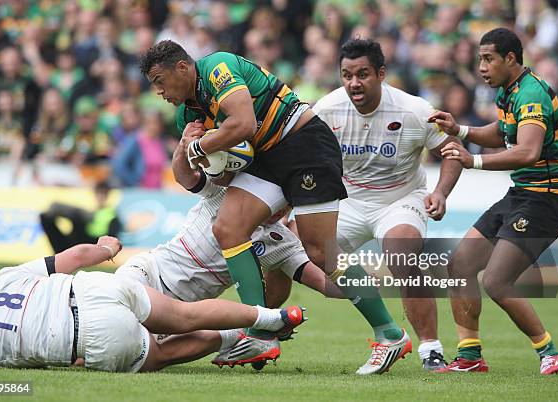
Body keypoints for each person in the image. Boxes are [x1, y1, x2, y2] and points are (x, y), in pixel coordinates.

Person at [139, 40, 411, 374]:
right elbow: (222, 178)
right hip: (266, 158)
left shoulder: (217, 68)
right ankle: (261, 329)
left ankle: (390, 334)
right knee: (228, 227)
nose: (159, 92)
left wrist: (200, 145)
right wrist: (202, 153)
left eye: (159, 81)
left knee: (321, 253)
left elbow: (243, 125)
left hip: (304, 143)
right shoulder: (188, 116)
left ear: (182, 68)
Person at [115, 132, 343, 367]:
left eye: (287, 203)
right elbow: (183, 176)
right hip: (150, 272)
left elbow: (326, 284)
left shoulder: (280, 240)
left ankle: (248, 333)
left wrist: (367, 281)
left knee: (139, 356)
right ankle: (269, 324)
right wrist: (183, 145)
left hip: (188, 311)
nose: (279, 209)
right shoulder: (226, 192)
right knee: (115, 313)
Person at [312, 38, 463, 370]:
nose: (354, 83)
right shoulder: (326, 110)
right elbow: (305, 159)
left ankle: (430, 350)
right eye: (347, 74)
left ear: (381, 74)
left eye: (363, 74)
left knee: (401, 252)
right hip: (347, 200)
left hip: (400, 199)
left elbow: (452, 151)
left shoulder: (414, 110)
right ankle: (263, 331)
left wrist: (440, 192)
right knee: (291, 248)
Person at [429, 28, 558, 375]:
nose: (481, 66)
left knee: (496, 281)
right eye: (479, 59)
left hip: (546, 199)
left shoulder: (531, 94)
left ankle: (550, 352)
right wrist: (461, 130)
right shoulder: (511, 91)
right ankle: (469, 357)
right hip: (521, 194)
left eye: (488, 58)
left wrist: (472, 160)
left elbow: (527, 150)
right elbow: (503, 131)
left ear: (511, 58)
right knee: (459, 264)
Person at [0, 236, 306, 372]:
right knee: (182, 315)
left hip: (82, 339)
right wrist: (106, 248)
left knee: (165, 353)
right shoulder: (0, 279)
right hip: (93, 290)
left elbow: (12, 374)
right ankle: (271, 317)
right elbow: (77, 256)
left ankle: (239, 339)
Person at [40, 181, 121, 253]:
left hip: (94, 243)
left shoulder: (111, 214)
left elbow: (113, 237)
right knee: (44, 217)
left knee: (77, 215)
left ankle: (58, 207)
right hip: (79, 241)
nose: (100, 196)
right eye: (98, 193)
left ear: (107, 195)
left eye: (103, 193)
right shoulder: (92, 211)